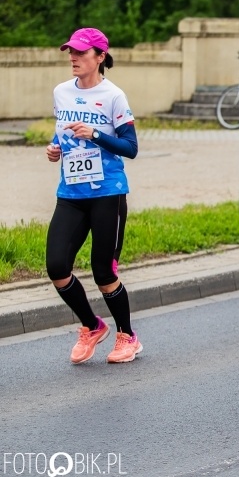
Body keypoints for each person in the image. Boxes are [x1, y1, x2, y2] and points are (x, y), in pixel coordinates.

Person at [46, 28, 141, 364]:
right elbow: (63, 135)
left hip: (108, 193)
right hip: (71, 192)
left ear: (100, 57)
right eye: (71, 52)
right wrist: (55, 148)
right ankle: (91, 325)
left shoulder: (114, 95)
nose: (73, 57)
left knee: (103, 271)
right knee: (56, 266)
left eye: (81, 53)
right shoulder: (61, 92)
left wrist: (96, 134)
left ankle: (127, 336)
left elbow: (131, 148)